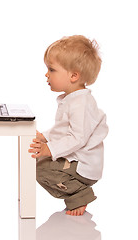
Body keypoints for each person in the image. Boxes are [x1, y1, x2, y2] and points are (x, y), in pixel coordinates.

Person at [28, 35, 108, 216]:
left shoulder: (82, 103)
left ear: (73, 75)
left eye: (52, 69)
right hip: (75, 159)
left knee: (41, 170)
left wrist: (50, 149)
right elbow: (64, 130)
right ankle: (76, 190)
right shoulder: (72, 99)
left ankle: (80, 195)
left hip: (82, 165)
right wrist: (45, 137)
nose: (46, 74)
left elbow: (77, 138)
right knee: (36, 160)